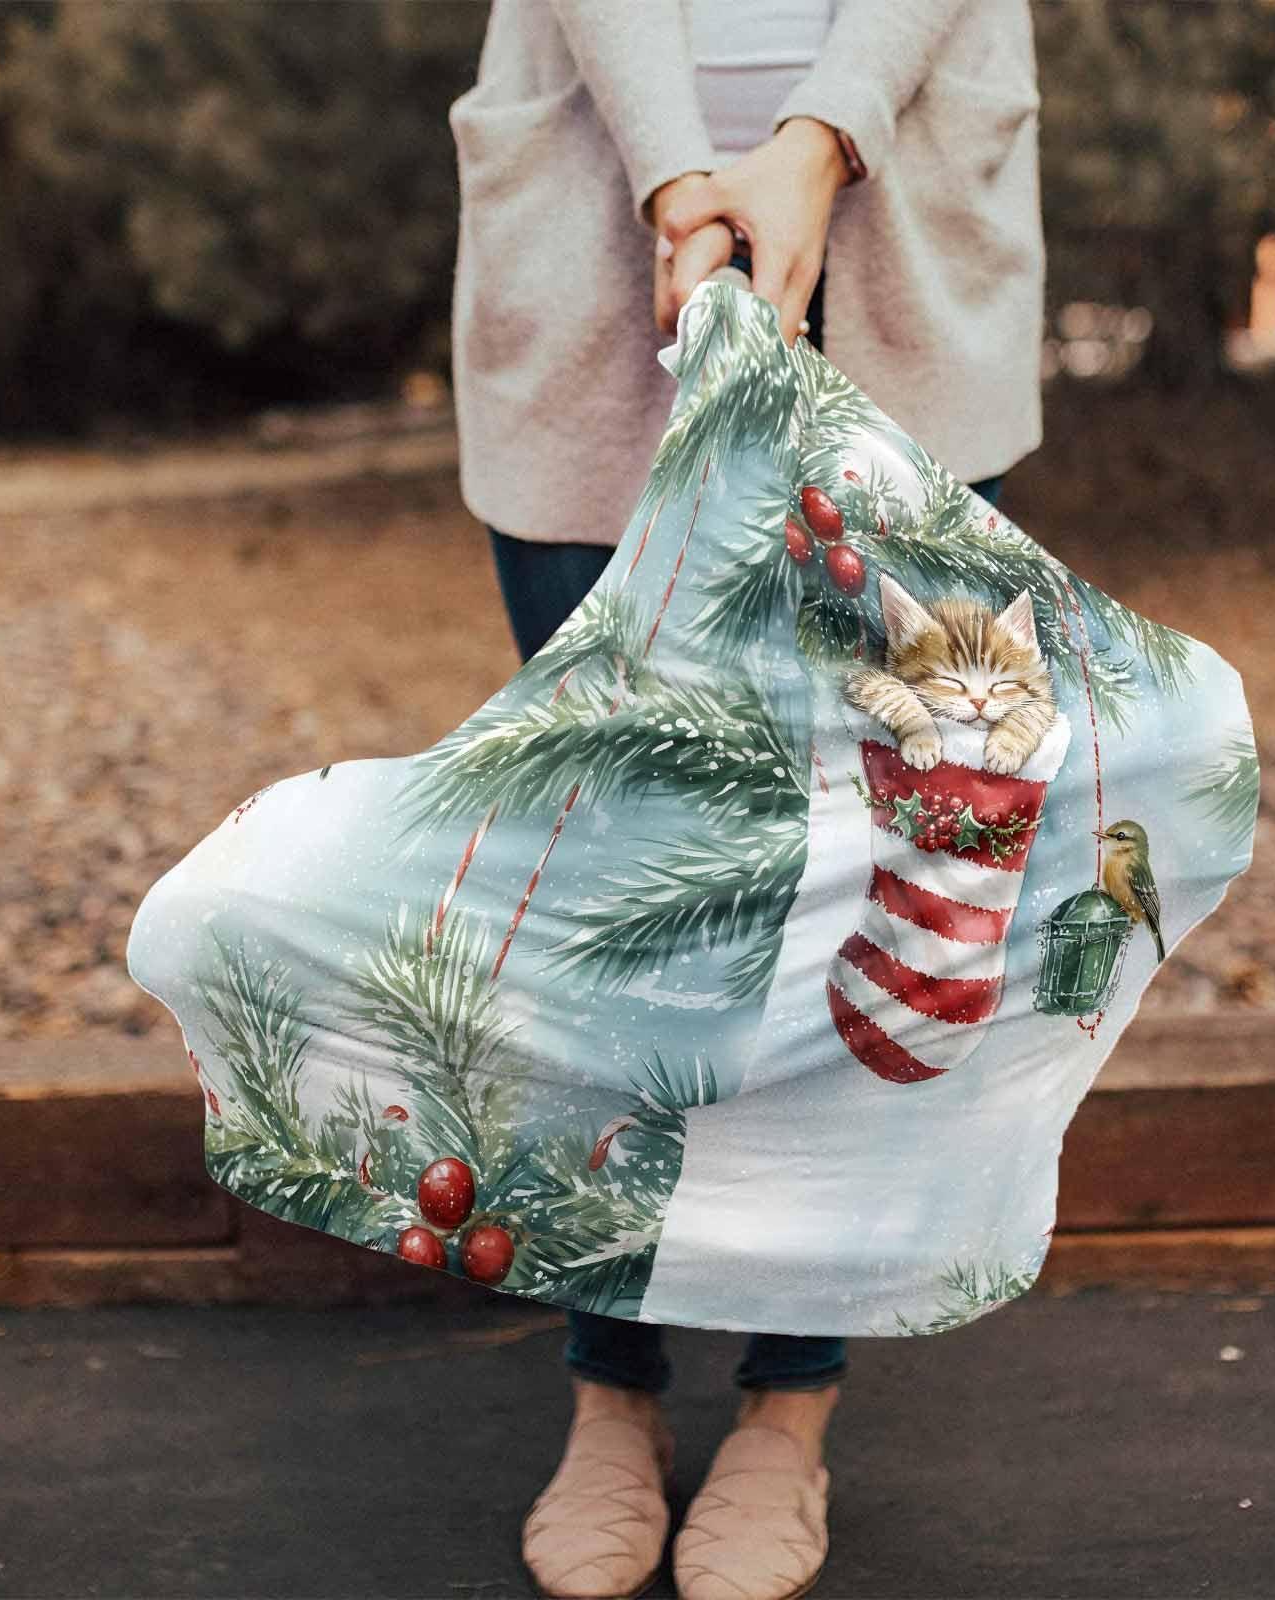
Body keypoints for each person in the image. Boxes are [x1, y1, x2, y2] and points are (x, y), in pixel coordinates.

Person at [446, 4, 1044, 1595]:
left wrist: (820, 140)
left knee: (875, 882)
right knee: (614, 876)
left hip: (905, 228)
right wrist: (676, 179)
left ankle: (790, 1404)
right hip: (595, 221)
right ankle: (612, 1386)